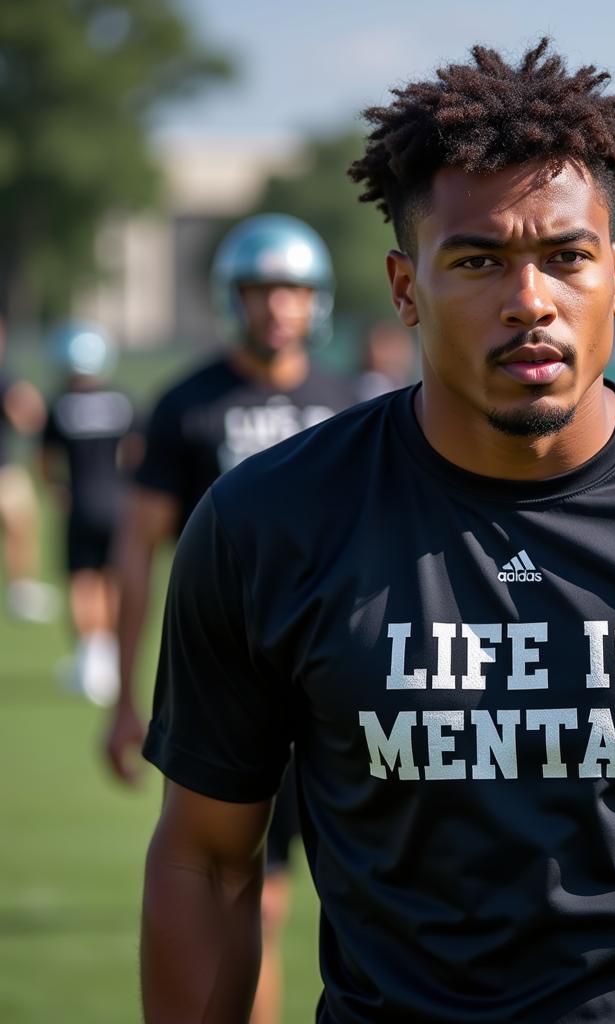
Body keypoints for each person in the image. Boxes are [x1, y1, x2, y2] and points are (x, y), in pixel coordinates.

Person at [140, 41, 615, 1024]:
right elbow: (207, 860)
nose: (529, 300)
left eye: (566, 256)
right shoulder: (267, 521)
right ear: (403, 286)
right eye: (477, 260)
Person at [106, 213, 355, 1024]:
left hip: (347, 678)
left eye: (292, 289)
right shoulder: (187, 405)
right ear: (231, 298)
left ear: (316, 300)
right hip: (237, 681)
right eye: (260, 289)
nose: (277, 306)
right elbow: (138, 549)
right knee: (252, 893)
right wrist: (121, 695)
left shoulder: (348, 402)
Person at [39, 321, 140, 704]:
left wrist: (56, 491)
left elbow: (45, 461)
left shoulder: (61, 405)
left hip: (80, 502)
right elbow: (137, 453)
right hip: (117, 502)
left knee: (82, 579)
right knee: (114, 576)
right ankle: (110, 659)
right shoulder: (122, 401)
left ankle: (89, 660)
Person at [0, 315, 59, 623]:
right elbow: (28, 415)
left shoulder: (6, 377)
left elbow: (27, 416)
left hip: (4, 469)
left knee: (22, 526)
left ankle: (22, 591)